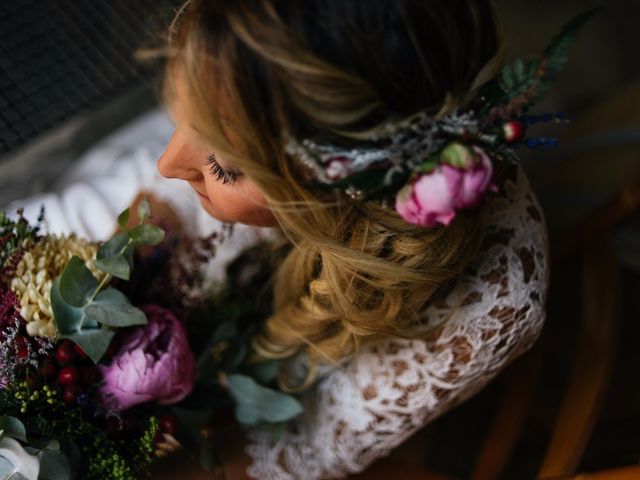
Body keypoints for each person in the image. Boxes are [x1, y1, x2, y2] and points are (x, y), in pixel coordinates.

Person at [11, 1, 551, 478]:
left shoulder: (484, 306)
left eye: (222, 165)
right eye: (182, 113)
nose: (169, 163)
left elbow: (295, 450)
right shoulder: (257, 85)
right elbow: (155, 211)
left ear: (335, 196)